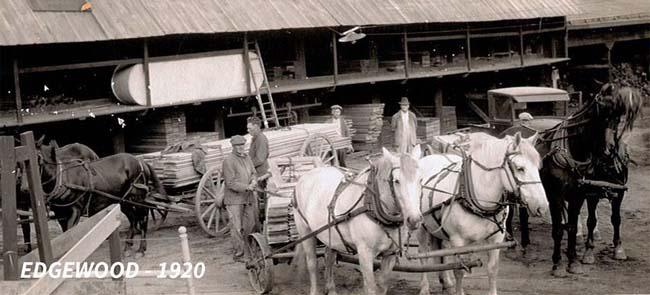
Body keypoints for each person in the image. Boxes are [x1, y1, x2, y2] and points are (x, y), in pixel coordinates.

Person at [222, 135, 257, 261]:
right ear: (233, 147)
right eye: (238, 145)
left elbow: (253, 173)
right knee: (236, 227)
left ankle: (249, 250)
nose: (241, 147)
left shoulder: (247, 157)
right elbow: (230, 183)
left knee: (250, 224)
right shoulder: (228, 161)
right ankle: (239, 254)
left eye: (242, 145)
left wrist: (253, 182)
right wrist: (246, 187)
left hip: (247, 198)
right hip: (234, 200)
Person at [247, 116, 269, 229]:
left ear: (256, 126)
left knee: (262, 199)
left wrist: (247, 165)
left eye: (250, 128)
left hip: (261, 173)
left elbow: (260, 159)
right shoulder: (255, 138)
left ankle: (262, 223)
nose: (248, 131)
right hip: (255, 171)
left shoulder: (261, 138)